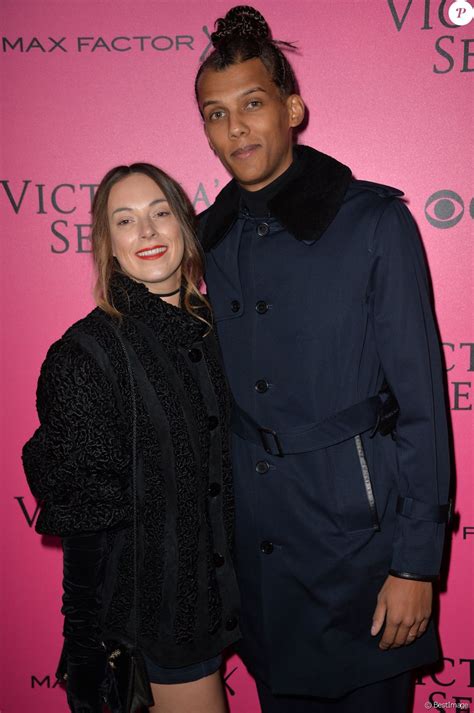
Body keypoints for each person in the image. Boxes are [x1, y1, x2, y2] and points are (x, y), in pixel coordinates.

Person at [194, 6, 452, 712]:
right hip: (260, 563)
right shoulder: (206, 241)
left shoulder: (373, 221)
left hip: (360, 556)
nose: (236, 127)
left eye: (252, 104)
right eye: (216, 115)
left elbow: (425, 405)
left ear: (292, 108)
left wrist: (414, 563)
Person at [22, 163, 240, 713]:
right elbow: (85, 520)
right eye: (125, 220)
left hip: (250, 595)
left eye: (160, 213)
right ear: (108, 245)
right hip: (164, 616)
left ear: (186, 227)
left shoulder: (223, 331)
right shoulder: (86, 355)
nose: (146, 232)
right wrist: (84, 644)